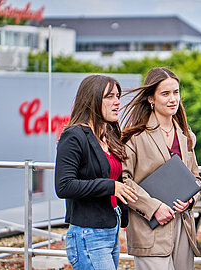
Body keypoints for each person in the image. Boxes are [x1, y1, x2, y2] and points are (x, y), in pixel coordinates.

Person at [120, 67, 201, 270]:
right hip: (149, 229)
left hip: (183, 227)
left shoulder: (186, 136)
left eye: (176, 92)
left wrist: (190, 200)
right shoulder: (134, 137)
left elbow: (196, 179)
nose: (173, 99)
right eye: (165, 94)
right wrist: (154, 208)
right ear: (151, 98)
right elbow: (123, 181)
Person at [55, 75, 138, 270]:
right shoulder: (73, 136)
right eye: (109, 96)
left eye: (118, 96)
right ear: (92, 99)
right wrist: (111, 186)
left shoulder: (110, 135)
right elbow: (64, 186)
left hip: (111, 229)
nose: (117, 101)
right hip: (88, 233)